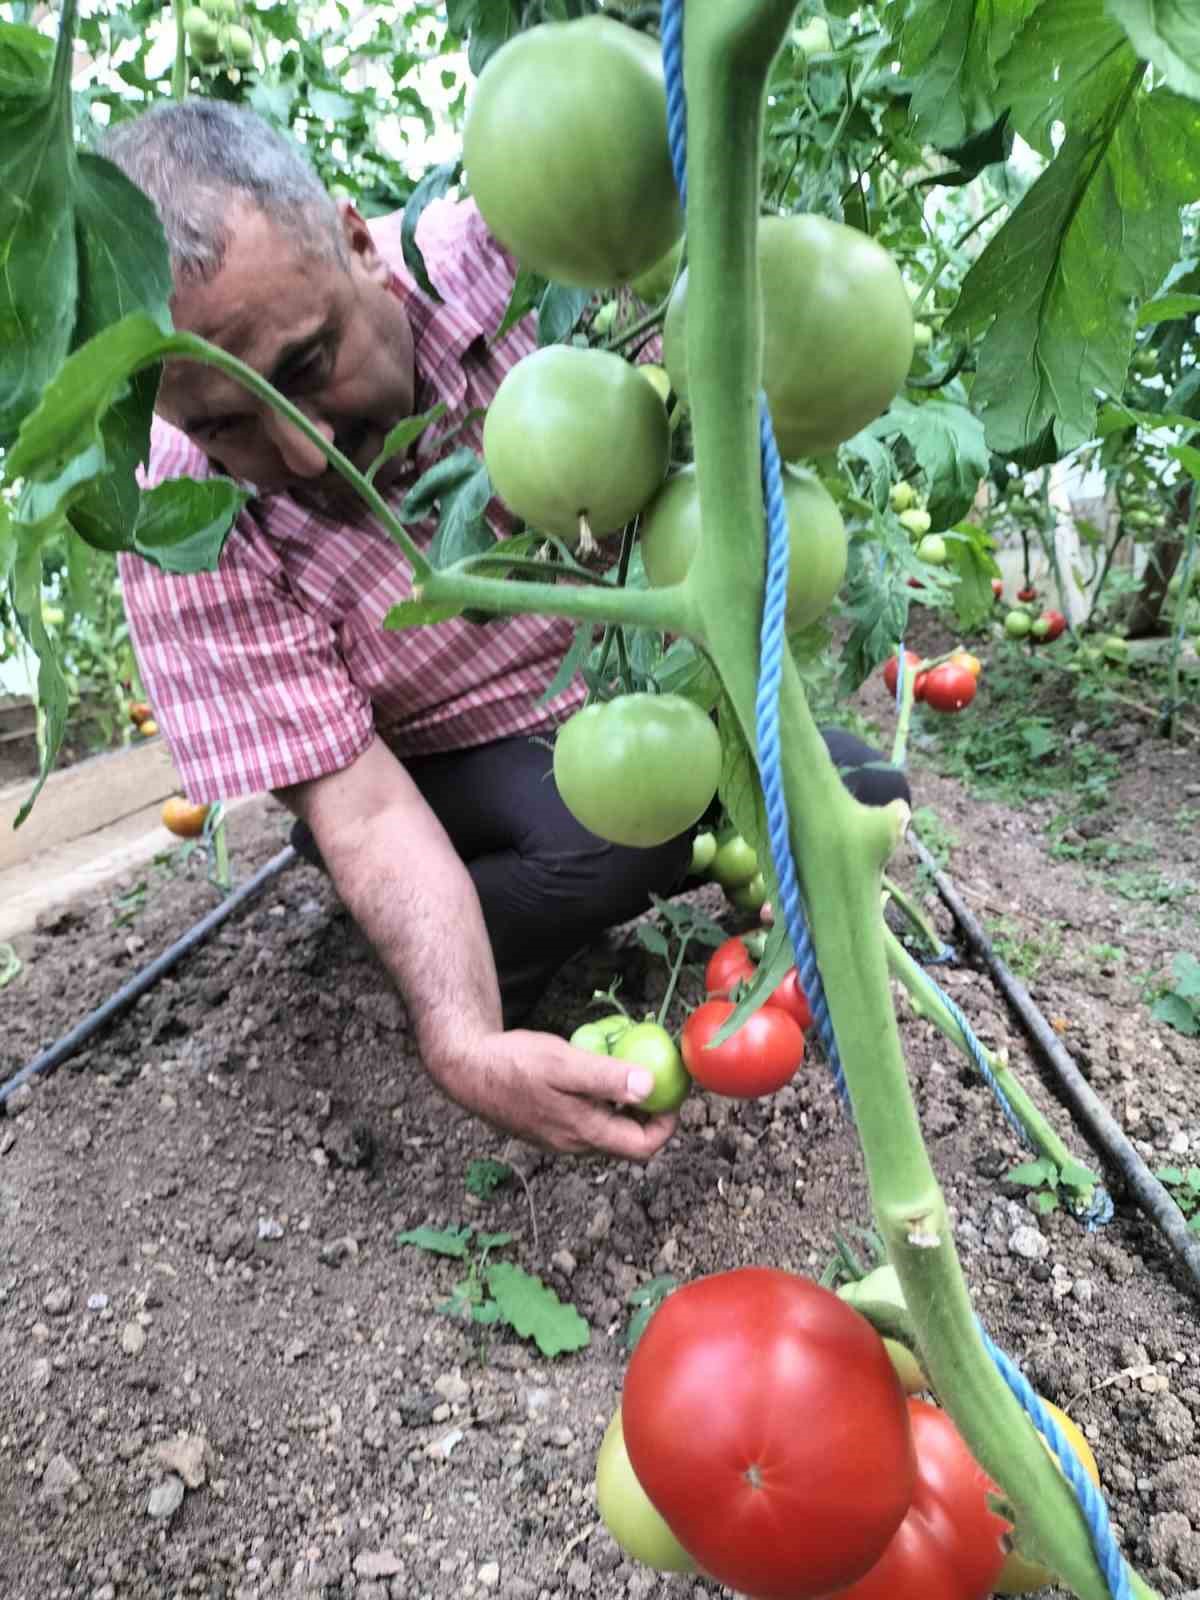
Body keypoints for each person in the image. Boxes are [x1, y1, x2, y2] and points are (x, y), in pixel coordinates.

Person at [100, 101, 909, 1162]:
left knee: (857, 792)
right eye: (222, 424)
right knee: (608, 842)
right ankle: (454, 941)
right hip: (428, 767)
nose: (303, 454)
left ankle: (565, 885)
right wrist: (462, 1034)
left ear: (358, 241)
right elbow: (362, 803)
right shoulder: (172, 519)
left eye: (304, 366)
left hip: (609, 708)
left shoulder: (544, 255)